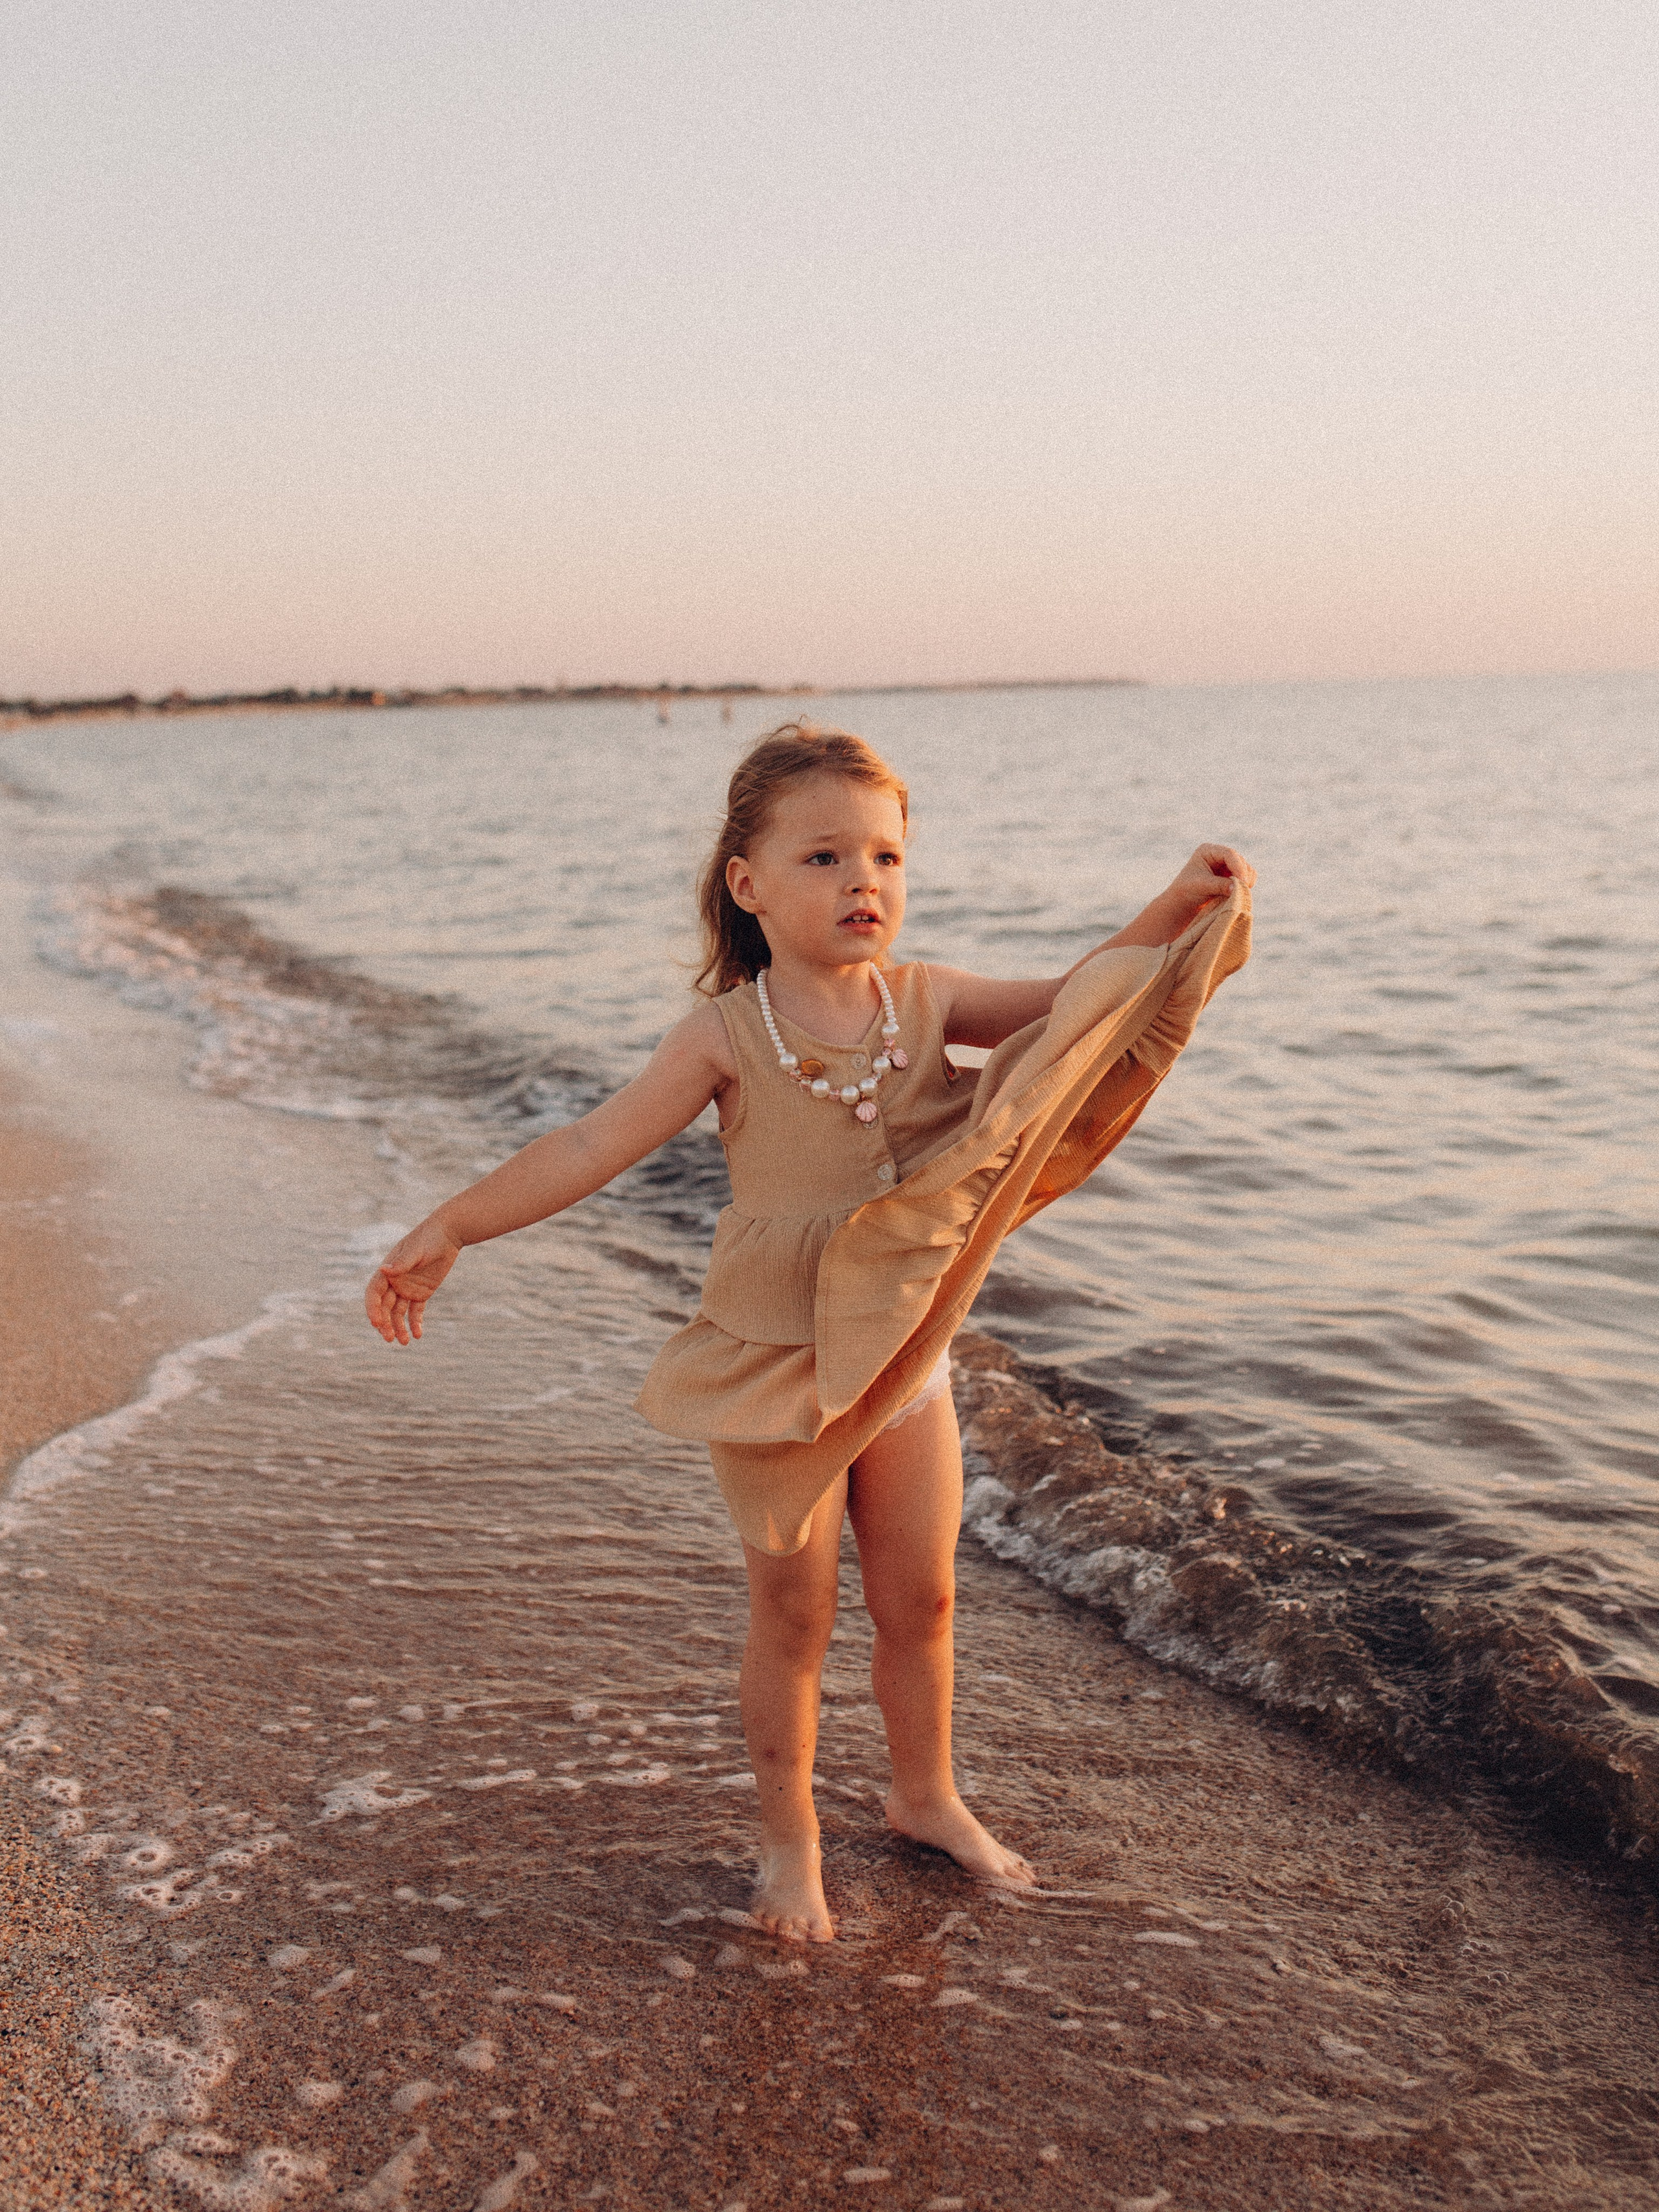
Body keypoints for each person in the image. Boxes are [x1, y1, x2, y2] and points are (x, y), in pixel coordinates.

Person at [366, 723, 1253, 1942]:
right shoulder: (725, 1037)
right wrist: (453, 1225)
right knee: (796, 1616)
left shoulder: (927, 999)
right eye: (827, 858)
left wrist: (1172, 907)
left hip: (904, 1351)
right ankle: (791, 1844)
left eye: (885, 857)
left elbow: (1072, 1002)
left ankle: (926, 1793)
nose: (864, 884)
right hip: (775, 1368)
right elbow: (587, 1146)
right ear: (751, 883)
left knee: (924, 1598)